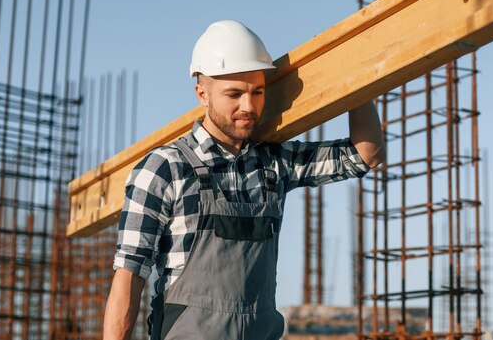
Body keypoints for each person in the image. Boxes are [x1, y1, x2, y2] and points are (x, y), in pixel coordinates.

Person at [103, 20, 385, 340]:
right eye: (234, 94)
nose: (248, 107)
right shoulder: (164, 170)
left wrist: (356, 75)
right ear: (203, 94)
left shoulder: (275, 164)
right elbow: (129, 274)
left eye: (257, 92)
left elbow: (364, 155)